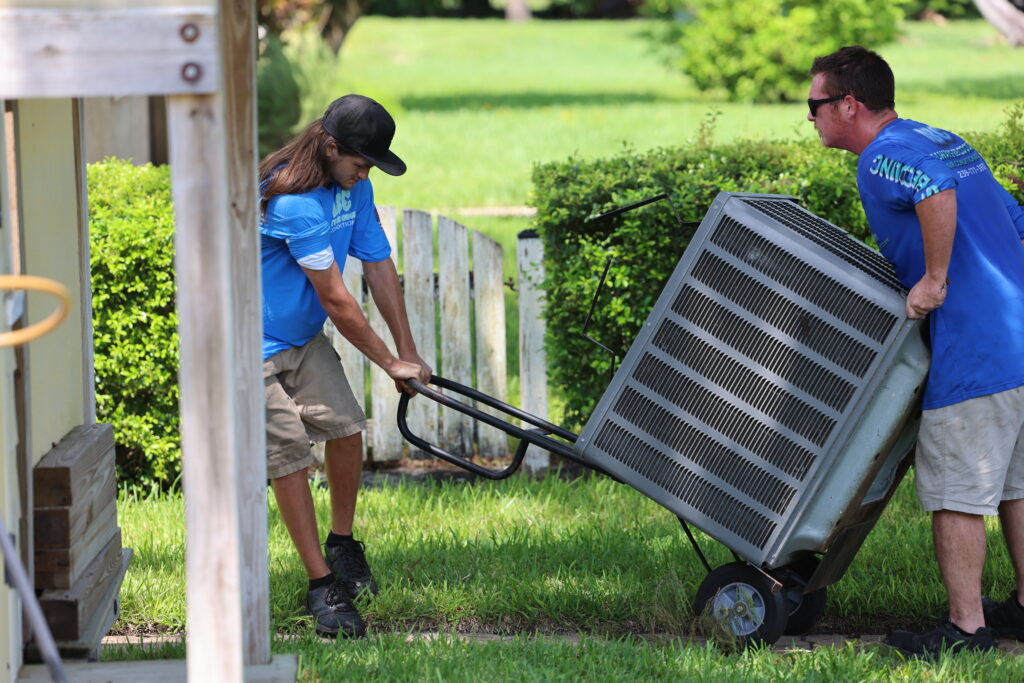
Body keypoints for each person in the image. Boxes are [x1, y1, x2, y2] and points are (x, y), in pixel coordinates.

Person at [807, 46, 1024, 657]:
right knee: (1015, 485)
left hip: (976, 351)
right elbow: (1017, 222)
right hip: (1016, 337)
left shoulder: (883, 158)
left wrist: (934, 280)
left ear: (848, 105)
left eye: (815, 105)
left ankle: (966, 628)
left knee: (957, 494)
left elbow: (933, 192)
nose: (811, 118)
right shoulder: (940, 138)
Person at [258, 94, 431, 637]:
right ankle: (321, 585)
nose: (364, 175)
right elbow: (337, 299)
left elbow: (378, 265)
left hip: (301, 337)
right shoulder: (292, 199)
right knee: (288, 453)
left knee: (347, 428)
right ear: (331, 148)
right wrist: (386, 364)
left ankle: (342, 542)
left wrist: (407, 352)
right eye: (360, 163)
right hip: (247, 345)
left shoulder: (355, 187)